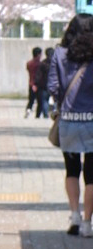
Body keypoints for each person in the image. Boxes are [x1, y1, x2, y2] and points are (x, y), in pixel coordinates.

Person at [48, 12, 93, 235]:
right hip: (92, 121)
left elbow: (53, 87)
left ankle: (74, 216)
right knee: (92, 174)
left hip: (68, 121)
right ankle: (87, 223)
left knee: (72, 170)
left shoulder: (59, 54)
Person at [29, 47, 51, 118]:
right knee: (45, 101)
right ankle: (45, 114)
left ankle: (37, 114)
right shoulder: (55, 63)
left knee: (39, 101)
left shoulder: (33, 63)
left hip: (39, 85)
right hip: (51, 85)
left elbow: (38, 75)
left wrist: (36, 83)